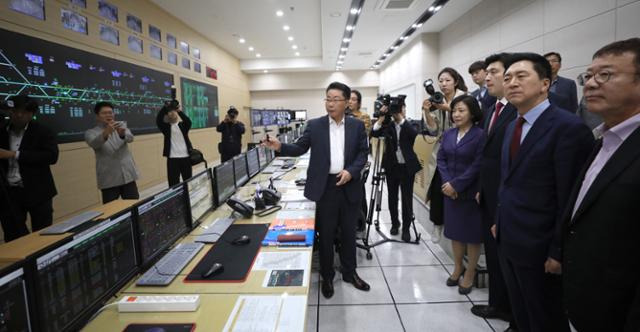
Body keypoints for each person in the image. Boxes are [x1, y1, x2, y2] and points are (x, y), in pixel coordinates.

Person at [492, 53, 594, 332]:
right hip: (509, 239)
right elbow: (508, 181)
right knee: (522, 317)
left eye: (521, 76)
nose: (512, 82)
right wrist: (498, 221)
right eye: (508, 77)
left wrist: (559, 252)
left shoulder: (568, 128)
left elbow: (571, 198)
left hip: (541, 249)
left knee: (545, 320)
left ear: (545, 83)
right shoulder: (513, 126)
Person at [262, 82, 370, 299]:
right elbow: (300, 147)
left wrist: (350, 171)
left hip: (349, 185)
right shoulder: (316, 125)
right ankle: (327, 276)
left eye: (335, 99)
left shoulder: (357, 126)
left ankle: (350, 273)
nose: (330, 103)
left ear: (347, 102)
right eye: (327, 99)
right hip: (326, 187)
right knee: (327, 235)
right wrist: (280, 147)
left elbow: (362, 154)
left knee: (349, 232)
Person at [563, 38, 640, 332]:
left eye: (605, 75)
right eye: (589, 76)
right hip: (589, 302)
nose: (591, 84)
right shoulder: (603, 140)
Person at [470, 53, 518, 330]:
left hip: (507, 199)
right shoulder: (491, 110)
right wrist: (480, 188)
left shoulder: (517, 112)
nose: (486, 77)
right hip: (488, 195)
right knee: (495, 255)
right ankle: (498, 303)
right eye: (486, 72)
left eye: (494, 72)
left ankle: (515, 313)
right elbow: (486, 157)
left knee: (510, 260)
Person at [437, 95, 484, 295]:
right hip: (450, 193)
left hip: (470, 192)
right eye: (454, 110)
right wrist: (448, 183)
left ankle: (470, 272)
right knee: (455, 233)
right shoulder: (448, 134)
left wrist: (456, 185)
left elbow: (478, 164)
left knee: (472, 236)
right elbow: (441, 159)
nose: (456, 114)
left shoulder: (481, 135)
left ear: (472, 113)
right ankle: (458, 267)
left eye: (461, 110)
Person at [0, 95, 58, 242]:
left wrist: (15, 154)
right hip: (10, 193)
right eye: (15, 111)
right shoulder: (2, 131)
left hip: (38, 191)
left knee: (43, 234)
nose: (19, 115)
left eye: (24, 112)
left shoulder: (43, 131)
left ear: (32, 114)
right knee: (14, 236)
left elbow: (51, 156)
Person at [422, 67, 467, 243]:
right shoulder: (436, 100)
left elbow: (470, 118)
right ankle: (437, 223)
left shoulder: (465, 98)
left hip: (462, 149)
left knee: (457, 187)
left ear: (455, 81)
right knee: (437, 188)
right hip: (442, 151)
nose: (443, 84)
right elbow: (433, 129)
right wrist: (427, 111)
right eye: (440, 80)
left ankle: (457, 224)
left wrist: (449, 108)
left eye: (447, 80)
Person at [371, 100, 422, 242]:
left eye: (399, 108)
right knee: (392, 197)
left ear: (404, 109)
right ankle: (395, 224)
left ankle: (406, 228)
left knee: (407, 199)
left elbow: (414, 136)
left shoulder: (410, 124)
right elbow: (374, 133)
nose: (397, 112)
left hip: (407, 167)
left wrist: (401, 120)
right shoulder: (388, 125)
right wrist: (382, 117)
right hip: (392, 167)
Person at [85, 101, 140, 204]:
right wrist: (107, 132)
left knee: (133, 206)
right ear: (97, 116)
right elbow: (94, 143)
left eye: (110, 112)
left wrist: (122, 134)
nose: (108, 115)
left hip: (127, 175)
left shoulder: (121, 126)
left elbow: (130, 138)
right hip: (109, 178)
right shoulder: (90, 132)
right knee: (111, 211)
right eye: (104, 113)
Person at [348, 89, 372, 233]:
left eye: (354, 99)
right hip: (343, 161)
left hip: (357, 159)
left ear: (359, 102)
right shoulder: (340, 116)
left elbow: (363, 135)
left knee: (358, 190)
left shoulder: (364, 117)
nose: (350, 101)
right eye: (348, 99)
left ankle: (360, 221)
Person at [156, 101, 193, 187]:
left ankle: (187, 199)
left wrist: (179, 111)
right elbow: (158, 120)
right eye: (169, 111)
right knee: (173, 184)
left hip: (186, 158)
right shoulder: (166, 128)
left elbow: (189, 122)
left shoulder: (183, 126)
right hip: (172, 159)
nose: (172, 113)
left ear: (177, 112)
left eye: (174, 111)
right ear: (167, 115)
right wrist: (165, 108)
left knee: (188, 183)